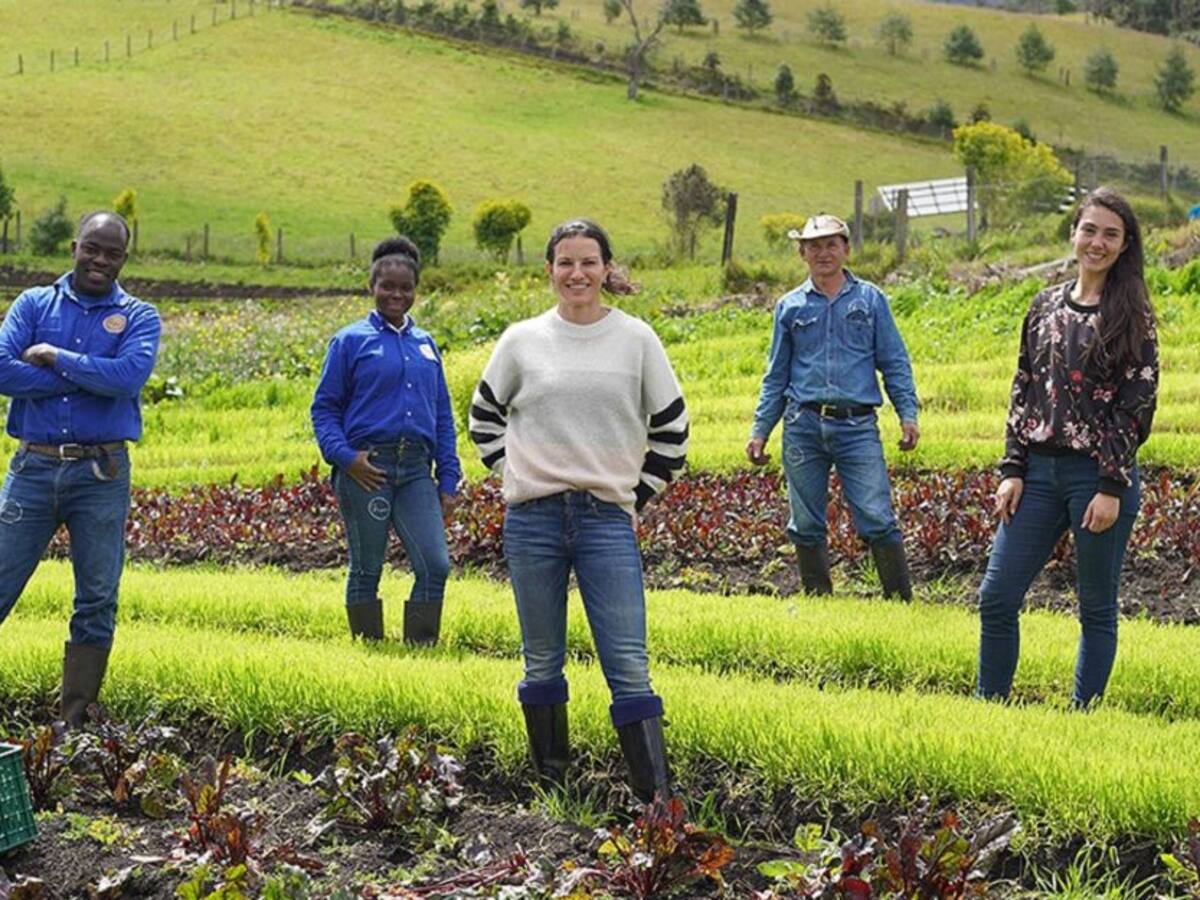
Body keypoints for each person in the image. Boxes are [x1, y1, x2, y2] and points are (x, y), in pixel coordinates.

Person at [469, 219, 688, 804]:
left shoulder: (636, 340)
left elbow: (673, 431)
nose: (577, 273)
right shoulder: (521, 341)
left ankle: (656, 805)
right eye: (565, 262)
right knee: (541, 660)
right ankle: (554, 794)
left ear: (606, 268)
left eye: (589, 262)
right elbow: (483, 417)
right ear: (549, 270)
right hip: (532, 522)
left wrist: (633, 497)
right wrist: (516, 472)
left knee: (628, 663)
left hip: (605, 521)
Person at [978, 187, 1157, 709]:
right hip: (1037, 473)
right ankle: (989, 707)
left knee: (1095, 608)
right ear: (1073, 233)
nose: (1097, 243)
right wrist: (1012, 468)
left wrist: (1111, 486)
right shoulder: (1044, 306)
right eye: (1089, 230)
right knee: (996, 596)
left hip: (1096, 479)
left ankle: (1084, 715)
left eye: (1110, 235)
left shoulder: (1132, 316)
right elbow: (1024, 386)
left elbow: (1135, 405)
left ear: (1124, 245)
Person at [0, 211, 161, 726]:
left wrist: (53, 356)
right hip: (33, 468)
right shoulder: (34, 303)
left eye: (112, 253)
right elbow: (2, 371)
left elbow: (129, 377)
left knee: (96, 597)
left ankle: (74, 724)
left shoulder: (140, 316)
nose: (100, 260)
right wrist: (90, 378)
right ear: (74, 247)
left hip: (101, 474)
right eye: (92, 248)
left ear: (124, 259)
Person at [746, 214, 919, 600]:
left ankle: (900, 601)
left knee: (876, 515)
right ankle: (818, 599)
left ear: (846, 250)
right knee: (805, 521)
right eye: (814, 246)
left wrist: (907, 414)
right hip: (802, 425)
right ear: (802, 253)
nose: (823, 253)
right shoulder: (789, 307)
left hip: (857, 426)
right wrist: (760, 431)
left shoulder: (870, 300)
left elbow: (893, 361)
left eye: (831, 245)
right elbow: (776, 375)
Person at [311, 237, 460, 646]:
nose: (396, 294)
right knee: (367, 567)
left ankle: (421, 647)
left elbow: (442, 415)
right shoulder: (350, 341)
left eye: (405, 287)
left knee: (435, 565)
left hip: (415, 471)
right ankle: (369, 648)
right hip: (367, 470)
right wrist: (345, 458)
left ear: (416, 290)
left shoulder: (426, 344)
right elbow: (324, 409)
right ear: (371, 286)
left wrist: (449, 479)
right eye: (387, 286)